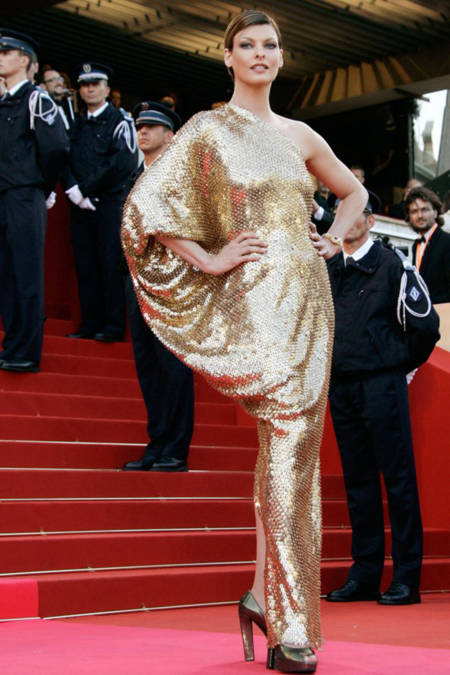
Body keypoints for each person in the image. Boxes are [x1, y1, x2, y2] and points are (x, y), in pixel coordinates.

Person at [121, 10, 367, 673]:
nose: (260, 54)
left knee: (288, 449)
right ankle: (291, 624)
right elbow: (147, 208)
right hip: (255, 305)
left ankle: (263, 593)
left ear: (281, 58)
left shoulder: (300, 133)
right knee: (288, 437)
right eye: (247, 45)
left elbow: (354, 191)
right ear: (227, 57)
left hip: (311, 303)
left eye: (270, 46)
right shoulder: (206, 130)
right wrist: (206, 257)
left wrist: (335, 235)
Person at [325, 200, 428, 607]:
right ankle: (365, 574)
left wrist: (395, 367)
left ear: (369, 220)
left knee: (399, 481)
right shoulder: (328, 267)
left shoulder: (393, 264)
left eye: (357, 214)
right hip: (342, 387)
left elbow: (423, 328)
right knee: (358, 484)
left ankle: (406, 578)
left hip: (382, 386)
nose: (348, 222)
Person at [122, 102, 194, 473]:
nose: (143, 131)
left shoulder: (183, 178)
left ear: (170, 135)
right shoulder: (133, 175)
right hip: (137, 281)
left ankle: (176, 449)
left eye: (151, 126)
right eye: (139, 126)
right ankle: (157, 442)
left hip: (174, 282)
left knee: (173, 365)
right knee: (148, 366)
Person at [0, 29, 69, 373]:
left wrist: (39, 187)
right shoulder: (4, 101)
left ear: (23, 60)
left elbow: (57, 146)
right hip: (4, 196)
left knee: (26, 274)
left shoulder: (36, 100)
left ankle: (26, 350)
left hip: (25, 195)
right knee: (6, 275)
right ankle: (11, 344)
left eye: (5, 51)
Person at [63, 62, 138, 342]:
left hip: (108, 203)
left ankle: (113, 326)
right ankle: (89, 324)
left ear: (107, 89)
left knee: (109, 264)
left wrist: (85, 189)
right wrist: (73, 189)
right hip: (79, 204)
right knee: (85, 265)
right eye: (84, 84)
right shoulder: (76, 123)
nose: (90, 88)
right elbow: (63, 155)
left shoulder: (121, 120)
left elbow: (123, 161)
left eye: (96, 83)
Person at [407, 185, 450, 304]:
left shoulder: (447, 241)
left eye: (424, 209)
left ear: (435, 212)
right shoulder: (416, 246)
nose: (419, 215)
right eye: (414, 211)